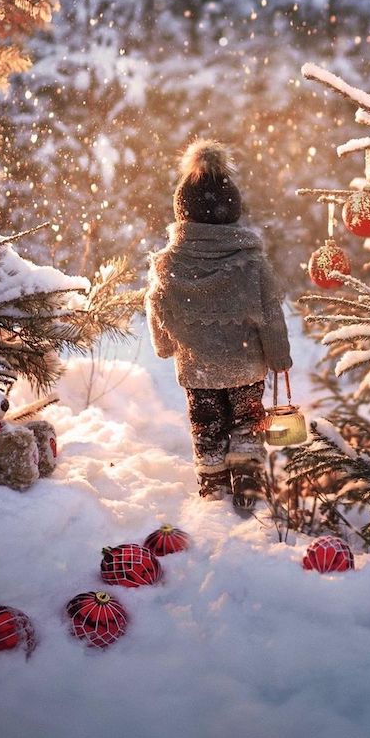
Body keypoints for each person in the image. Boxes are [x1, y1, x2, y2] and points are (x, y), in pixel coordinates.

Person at [145, 138, 292, 513]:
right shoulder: (251, 261)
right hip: (245, 366)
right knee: (246, 422)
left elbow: (158, 308)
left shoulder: (168, 264)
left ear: (183, 213)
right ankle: (247, 484)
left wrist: (165, 344)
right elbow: (271, 312)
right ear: (233, 212)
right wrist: (279, 356)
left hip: (198, 369)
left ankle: (211, 486)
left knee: (206, 424)